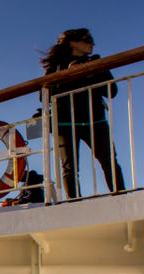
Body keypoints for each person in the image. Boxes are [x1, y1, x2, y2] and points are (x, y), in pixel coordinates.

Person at [41, 28, 125, 198]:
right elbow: (45, 96)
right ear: (73, 43)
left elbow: (111, 91)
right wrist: (68, 75)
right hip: (65, 122)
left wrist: (91, 73)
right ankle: (74, 204)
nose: (92, 43)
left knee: (109, 161)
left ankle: (122, 198)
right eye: (88, 40)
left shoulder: (96, 62)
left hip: (95, 120)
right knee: (69, 168)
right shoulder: (57, 66)